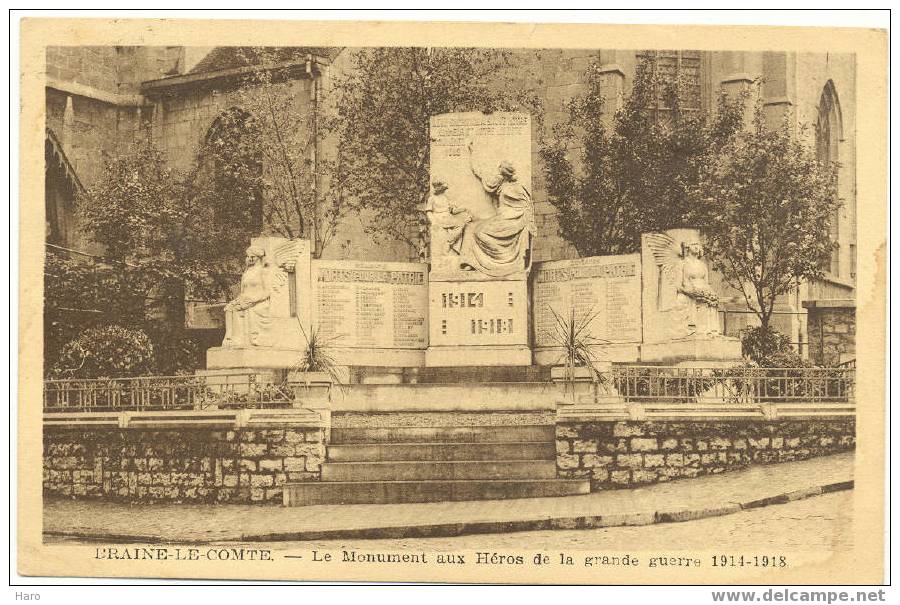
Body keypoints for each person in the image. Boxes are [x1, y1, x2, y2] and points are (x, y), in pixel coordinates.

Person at [458, 144, 534, 277]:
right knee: (470, 227)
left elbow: (526, 209)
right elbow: (480, 172)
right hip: (502, 220)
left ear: (504, 173)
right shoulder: (499, 184)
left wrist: (524, 223)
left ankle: (501, 263)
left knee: (479, 232)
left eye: (500, 170)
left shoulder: (519, 188)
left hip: (512, 223)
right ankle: (470, 262)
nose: (497, 171)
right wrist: (472, 153)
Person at [222, 245, 273, 348]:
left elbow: (267, 292)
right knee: (229, 308)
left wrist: (253, 300)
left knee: (244, 311)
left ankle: (242, 340)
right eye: (248, 256)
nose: (250, 259)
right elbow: (243, 291)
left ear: (258, 258)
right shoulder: (246, 273)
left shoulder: (263, 271)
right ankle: (230, 338)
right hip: (245, 300)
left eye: (252, 257)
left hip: (259, 302)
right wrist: (237, 300)